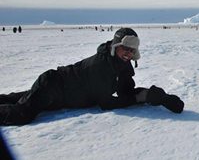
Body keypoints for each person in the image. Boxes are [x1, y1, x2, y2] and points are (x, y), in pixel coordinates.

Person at [0, 28, 184, 126]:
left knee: (14, 99)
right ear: (115, 46)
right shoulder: (100, 65)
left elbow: (126, 91)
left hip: (61, 97)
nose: (128, 53)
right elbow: (106, 103)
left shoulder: (123, 65)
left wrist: (156, 97)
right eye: (125, 48)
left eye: (132, 50)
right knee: (22, 114)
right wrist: (137, 98)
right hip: (52, 86)